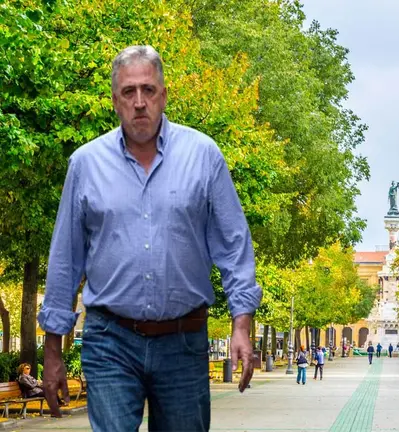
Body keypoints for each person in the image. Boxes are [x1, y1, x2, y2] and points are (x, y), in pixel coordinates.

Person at [37, 45, 262, 429]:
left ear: (164, 95)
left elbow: (233, 244)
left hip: (184, 340)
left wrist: (242, 325)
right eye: (129, 92)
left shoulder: (203, 156)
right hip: (110, 340)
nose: (139, 102)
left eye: (148, 90)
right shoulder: (86, 165)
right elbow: (65, 259)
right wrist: (53, 350)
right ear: (114, 100)